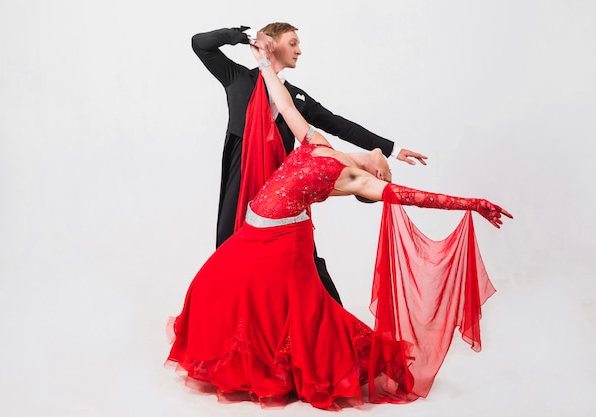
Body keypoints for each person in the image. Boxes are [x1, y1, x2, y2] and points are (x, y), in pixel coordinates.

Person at [165, 42, 512, 411]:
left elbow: (415, 197)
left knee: (279, 305)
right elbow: (284, 104)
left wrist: (472, 204)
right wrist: (265, 62)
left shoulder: (353, 178)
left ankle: (305, 367)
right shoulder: (318, 142)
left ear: (374, 176)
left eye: (385, 172)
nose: (384, 168)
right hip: (255, 233)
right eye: (386, 168)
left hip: (279, 244)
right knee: (217, 286)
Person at [192, 23, 428, 305]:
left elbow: (339, 125)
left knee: (301, 253)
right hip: (241, 175)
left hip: (282, 183)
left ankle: (331, 317)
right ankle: (227, 318)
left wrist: (393, 149)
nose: (299, 50)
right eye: (292, 43)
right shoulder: (238, 78)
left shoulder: (297, 98)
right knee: (231, 245)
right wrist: (245, 36)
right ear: (272, 43)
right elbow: (200, 43)